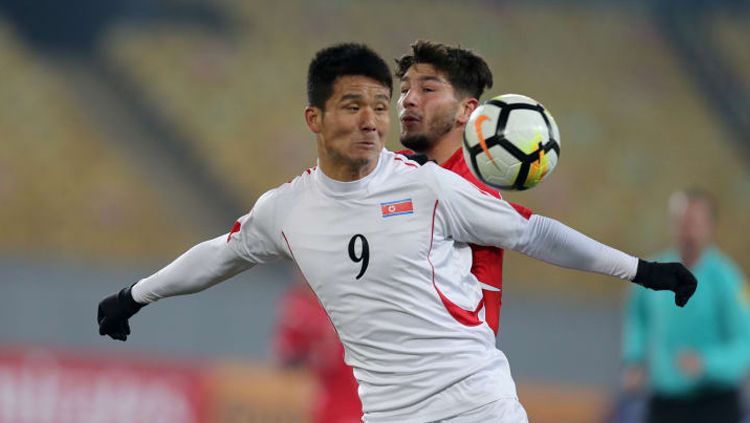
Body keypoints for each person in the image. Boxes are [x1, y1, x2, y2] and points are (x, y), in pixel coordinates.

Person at [98, 42, 697, 422]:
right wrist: (136, 295)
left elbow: (535, 233)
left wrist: (644, 271)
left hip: (474, 404)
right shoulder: (286, 210)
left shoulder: (428, 187)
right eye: (352, 105)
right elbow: (220, 256)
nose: (371, 120)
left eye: (382, 105)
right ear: (315, 118)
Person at [395, 40, 532, 334]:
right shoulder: (391, 169)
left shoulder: (473, 192)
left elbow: (484, 311)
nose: (408, 99)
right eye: (405, 89)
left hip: (446, 366)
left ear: (465, 110)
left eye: (427, 90)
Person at [622, 188, 750, 423]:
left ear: (710, 226)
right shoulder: (654, 273)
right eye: (681, 221)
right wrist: (635, 359)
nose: (687, 229)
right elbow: (637, 319)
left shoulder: (728, 280)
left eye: (694, 222)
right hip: (665, 402)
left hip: (714, 404)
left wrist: (707, 363)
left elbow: (744, 344)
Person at [273, 273, 362, 423]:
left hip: (354, 398)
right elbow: (285, 358)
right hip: (334, 399)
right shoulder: (301, 306)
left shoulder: (348, 302)